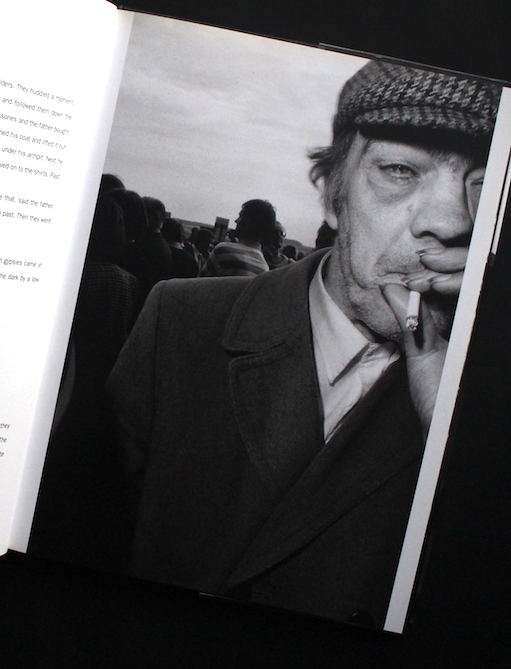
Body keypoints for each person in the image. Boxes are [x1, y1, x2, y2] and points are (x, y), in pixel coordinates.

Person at [105, 60, 501, 626]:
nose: (451, 220)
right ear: (334, 196)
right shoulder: (179, 321)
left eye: (484, 185)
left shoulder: (481, 388)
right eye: (399, 170)